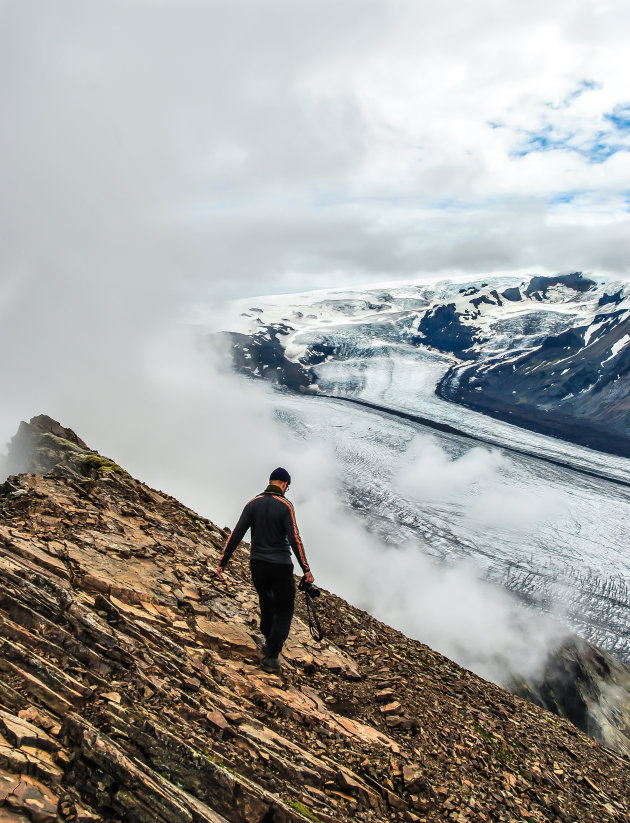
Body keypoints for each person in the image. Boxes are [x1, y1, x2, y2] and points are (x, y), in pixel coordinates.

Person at [216, 467, 314, 673]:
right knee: (284, 609)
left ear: (270, 481)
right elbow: (295, 538)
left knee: (266, 603)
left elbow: (237, 533)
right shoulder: (285, 505)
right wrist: (306, 569)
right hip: (280, 565)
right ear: (285, 484)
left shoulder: (253, 503)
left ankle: (268, 641)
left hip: (258, 564)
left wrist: (223, 561)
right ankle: (272, 654)